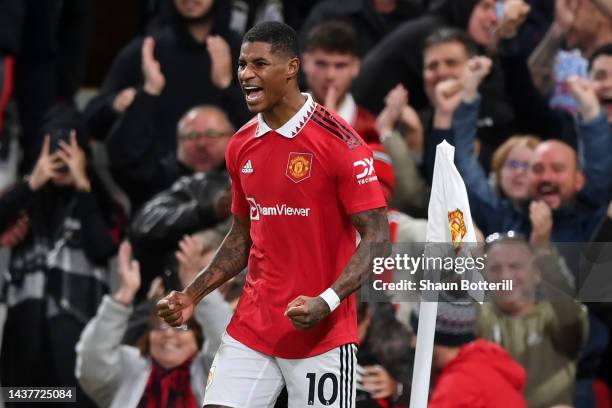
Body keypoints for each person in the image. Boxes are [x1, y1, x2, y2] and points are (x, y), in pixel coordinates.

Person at [157, 21, 390, 407]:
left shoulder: (341, 144)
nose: (246, 75)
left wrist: (326, 302)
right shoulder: (240, 145)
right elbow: (240, 236)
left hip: (322, 335)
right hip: (254, 326)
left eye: (259, 64)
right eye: (243, 64)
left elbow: (379, 239)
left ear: (291, 68)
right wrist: (192, 295)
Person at [0, 105, 121, 408]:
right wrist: (32, 183)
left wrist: (83, 186)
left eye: (71, 146)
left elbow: (103, 248)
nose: (62, 157)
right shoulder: (22, 199)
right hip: (23, 341)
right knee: (23, 403)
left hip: (77, 340)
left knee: (76, 402)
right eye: (54, 147)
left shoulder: (101, 200)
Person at [76, 241, 232, 408]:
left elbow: (226, 343)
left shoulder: (210, 375)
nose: (168, 333)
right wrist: (123, 297)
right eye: (159, 326)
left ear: (197, 336)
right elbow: (93, 360)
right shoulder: (128, 370)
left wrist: (198, 286)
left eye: (181, 327)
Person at [84, 0, 250, 152]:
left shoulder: (244, 52)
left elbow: (267, 131)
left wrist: (227, 85)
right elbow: (91, 121)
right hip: (152, 177)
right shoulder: (144, 50)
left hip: (227, 176)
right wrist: (117, 103)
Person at [477, 233, 588, 408]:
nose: (504, 276)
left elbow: (570, 313)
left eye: (515, 266)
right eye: (495, 268)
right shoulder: (481, 318)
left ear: (536, 274)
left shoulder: (553, 317)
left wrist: (544, 253)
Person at [106, 104, 234, 212]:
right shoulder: (155, 177)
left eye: (211, 134)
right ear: (178, 141)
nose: (201, 144)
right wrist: (147, 95)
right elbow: (121, 158)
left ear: (232, 137)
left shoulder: (242, 177)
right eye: (192, 135)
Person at [410, 296, 528, 407]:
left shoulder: (457, 385)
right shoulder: (484, 359)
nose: (412, 342)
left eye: (415, 334)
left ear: (430, 339)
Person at [302, 21, 380, 143]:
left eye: (340, 66)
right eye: (321, 64)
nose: (330, 75)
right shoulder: (279, 120)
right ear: (305, 63)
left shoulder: (371, 130)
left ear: (355, 67)